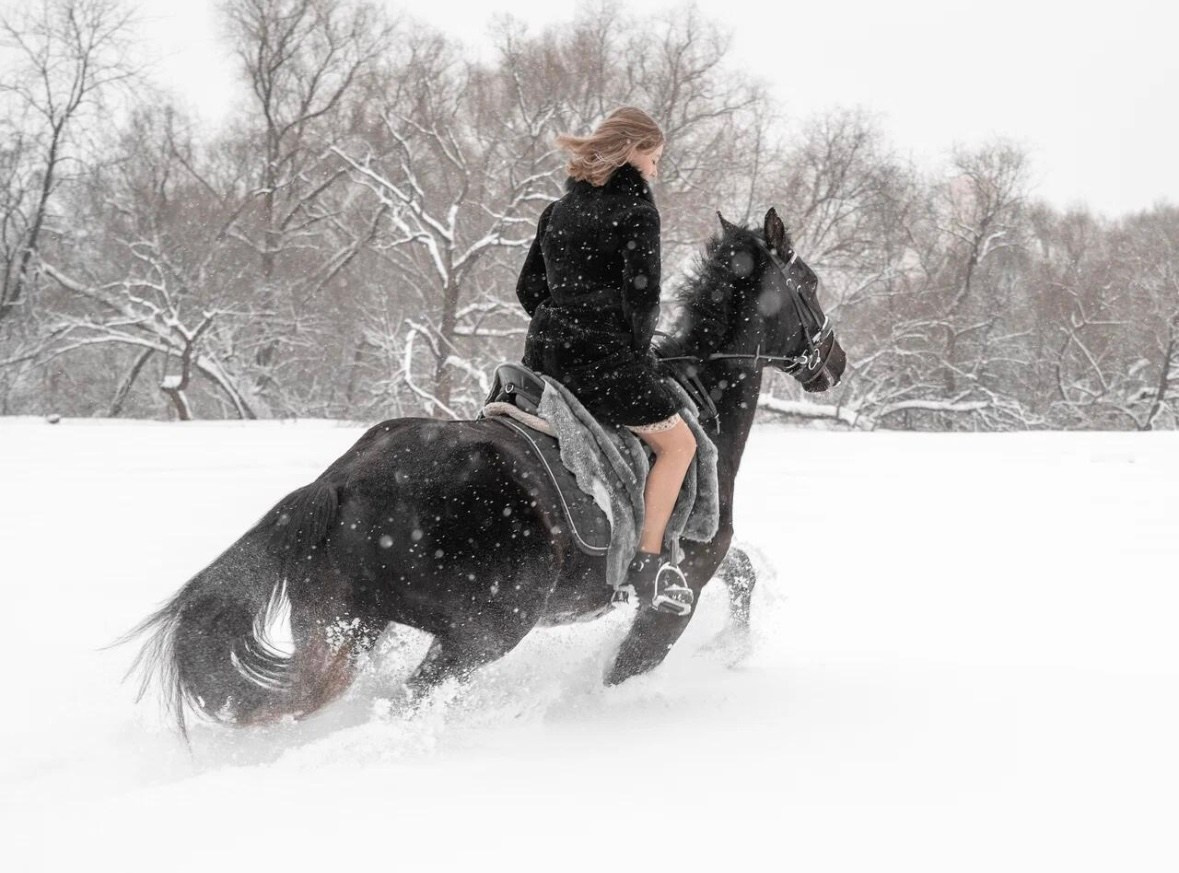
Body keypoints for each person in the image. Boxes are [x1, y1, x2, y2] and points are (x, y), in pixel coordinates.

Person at [515, 106, 696, 617]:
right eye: (655, 158)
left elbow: (528, 290)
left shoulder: (556, 211)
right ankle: (649, 558)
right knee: (678, 444)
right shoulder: (637, 213)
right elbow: (642, 300)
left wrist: (564, 317)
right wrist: (635, 354)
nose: (656, 169)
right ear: (632, 151)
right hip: (603, 363)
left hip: (545, 358)